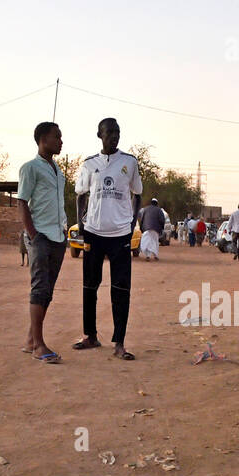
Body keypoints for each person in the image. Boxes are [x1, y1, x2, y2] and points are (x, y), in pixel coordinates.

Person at [74, 117, 143, 360]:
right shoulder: (88, 164)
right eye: (110, 132)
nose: (114, 136)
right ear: (99, 135)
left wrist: (132, 222)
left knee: (121, 288)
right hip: (94, 232)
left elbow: (137, 194)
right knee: (89, 286)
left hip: (120, 234)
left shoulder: (129, 162)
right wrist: (82, 224)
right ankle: (90, 335)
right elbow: (80, 194)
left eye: (117, 132)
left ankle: (120, 342)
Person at [16, 122, 68, 364]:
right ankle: (38, 345)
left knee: (47, 291)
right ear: (42, 140)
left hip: (58, 236)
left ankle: (30, 339)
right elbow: (22, 202)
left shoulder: (59, 172)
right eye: (56, 137)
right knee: (39, 288)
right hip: (41, 237)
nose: (61, 141)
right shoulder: (30, 168)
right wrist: (34, 235)